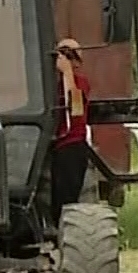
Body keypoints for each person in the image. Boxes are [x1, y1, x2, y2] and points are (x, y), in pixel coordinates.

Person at [50, 38, 91, 208]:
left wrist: (67, 73)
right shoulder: (49, 85)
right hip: (50, 143)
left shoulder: (80, 83)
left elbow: (76, 108)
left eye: (70, 54)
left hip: (71, 143)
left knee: (67, 196)